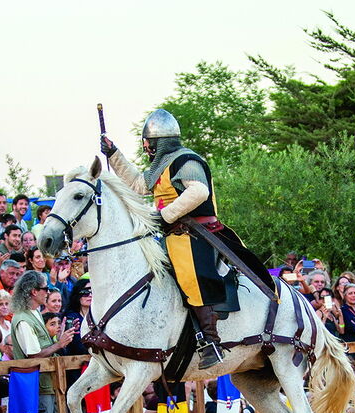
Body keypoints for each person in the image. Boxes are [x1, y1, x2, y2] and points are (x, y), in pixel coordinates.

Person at [102, 108, 272, 368]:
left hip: (196, 233)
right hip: (172, 234)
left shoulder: (186, 161)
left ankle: (211, 341)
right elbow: (138, 185)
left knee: (190, 278)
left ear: (158, 142)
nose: (146, 146)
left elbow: (199, 192)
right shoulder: (162, 166)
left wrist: (165, 216)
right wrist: (114, 154)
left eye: (148, 142)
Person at [11, 271, 76, 413]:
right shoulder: (23, 319)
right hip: (36, 384)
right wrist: (59, 345)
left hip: (46, 382)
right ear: (33, 291)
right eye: (45, 289)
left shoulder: (34, 314)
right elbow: (32, 356)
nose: (47, 292)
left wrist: (58, 341)